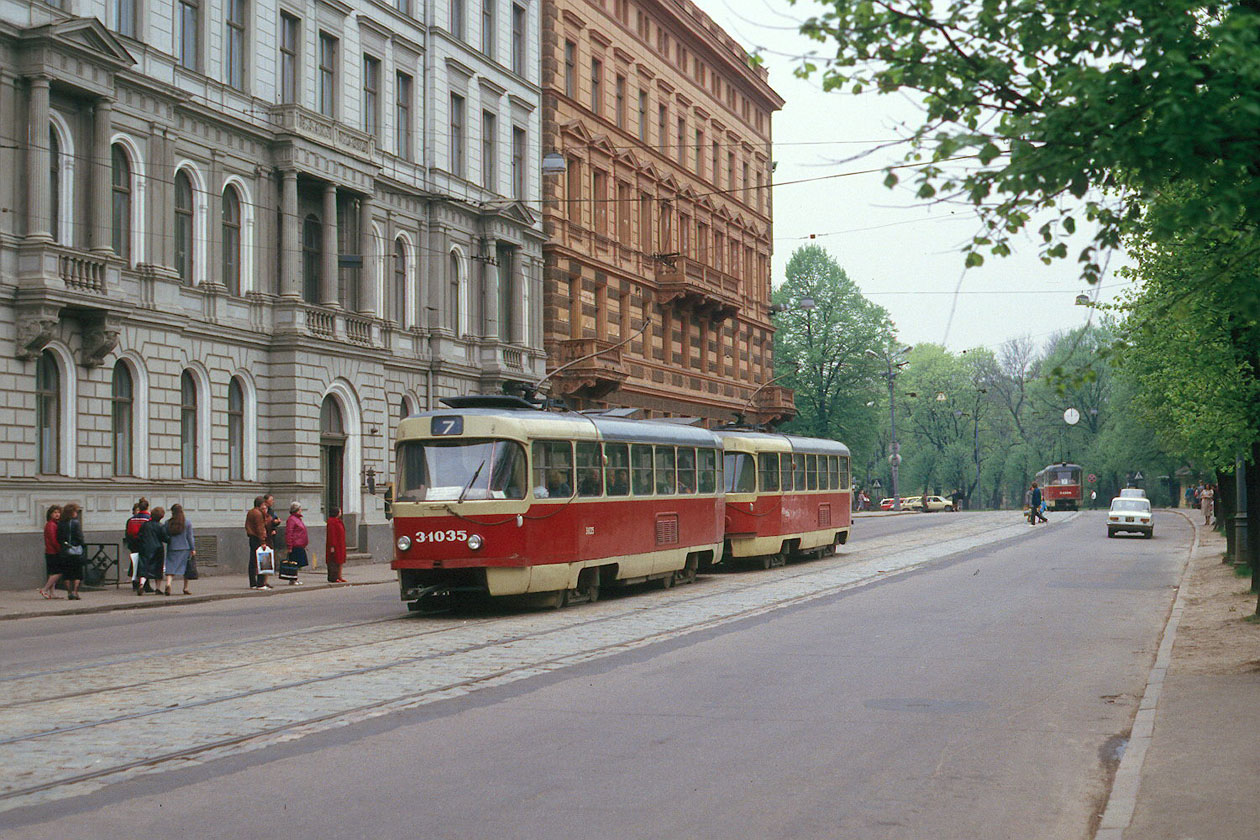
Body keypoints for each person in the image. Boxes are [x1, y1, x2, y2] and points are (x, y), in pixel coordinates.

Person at [164, 504, 197, 595]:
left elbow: (165, 535)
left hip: (172, 547)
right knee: (186, 569)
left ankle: (168, 584)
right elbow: (190, 537)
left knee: (170, 567)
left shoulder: (168, 523)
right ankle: (185, 588)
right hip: (184, 548)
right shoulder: (187, 522)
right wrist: (193, 548)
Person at [136, 506, 169, 595]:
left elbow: (139, 536)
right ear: (161, 517)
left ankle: (141, 584)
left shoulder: (145, 525)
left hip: (145, 548)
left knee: (144, 568)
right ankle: (157, 588)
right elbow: (165, 538)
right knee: (158, 569)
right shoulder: (160, 526)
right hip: (158, 549)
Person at [56, 502, 86, 600]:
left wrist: (64, 545)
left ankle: (69, 592)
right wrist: (82, 545)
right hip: (76, 550)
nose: (76, 513)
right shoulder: (76, 523)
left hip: (65, 551)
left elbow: (58, 537)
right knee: (77, 572)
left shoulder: (60, 523)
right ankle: (75, 592)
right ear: (72, 512)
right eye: (75, 511)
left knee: (67, 573)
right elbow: (79, 536)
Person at [125, 499, 152, 593]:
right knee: (144, 564)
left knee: (136, 564)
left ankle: (137, 583)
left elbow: (128, 533)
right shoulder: (147, 518)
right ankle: (144, 584)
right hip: (143, 544)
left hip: (134, 544)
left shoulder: (132, 520)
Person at [245, 495, 272, 590]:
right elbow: (260, 528)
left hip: (252, 538)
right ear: (261, 504)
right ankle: (261, 583)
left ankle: (253, 583)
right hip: (257, 539)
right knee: (262, 560)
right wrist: (263, 541)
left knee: (252, 561)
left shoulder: (251, 512)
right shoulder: (258, 514)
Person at [37, 504, 64, 599]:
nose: (57, 514)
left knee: (52, 573)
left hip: (50, 551)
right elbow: (53, 540)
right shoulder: (51, 525)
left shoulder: (54, 524)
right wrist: (60, 549)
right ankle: (44, 589)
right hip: (53, 552)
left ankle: (52, 593)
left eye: (58, 512)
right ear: (50, 514)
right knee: (59, 572)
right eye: (55, 512)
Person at [284, 501, 309, 585]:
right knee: (294, 562)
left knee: (297, 562)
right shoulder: (291, 519)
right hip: (295, 544)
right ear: (297, 510)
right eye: (300, 508)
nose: (301, 510)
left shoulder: (298, 519)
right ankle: (292, 579)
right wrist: (289, 546)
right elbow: (289, 533)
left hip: (299, 544)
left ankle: (295, 578)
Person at [326, 506, 347, 583]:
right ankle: (334, 577)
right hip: (335, 544)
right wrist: (332, 545)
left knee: (340, 560)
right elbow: (332, 534)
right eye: (340, 511)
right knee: (334, 561)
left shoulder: (338, 521)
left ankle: (339, 576)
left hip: (340, 544)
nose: (341, 513)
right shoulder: (332, 522)